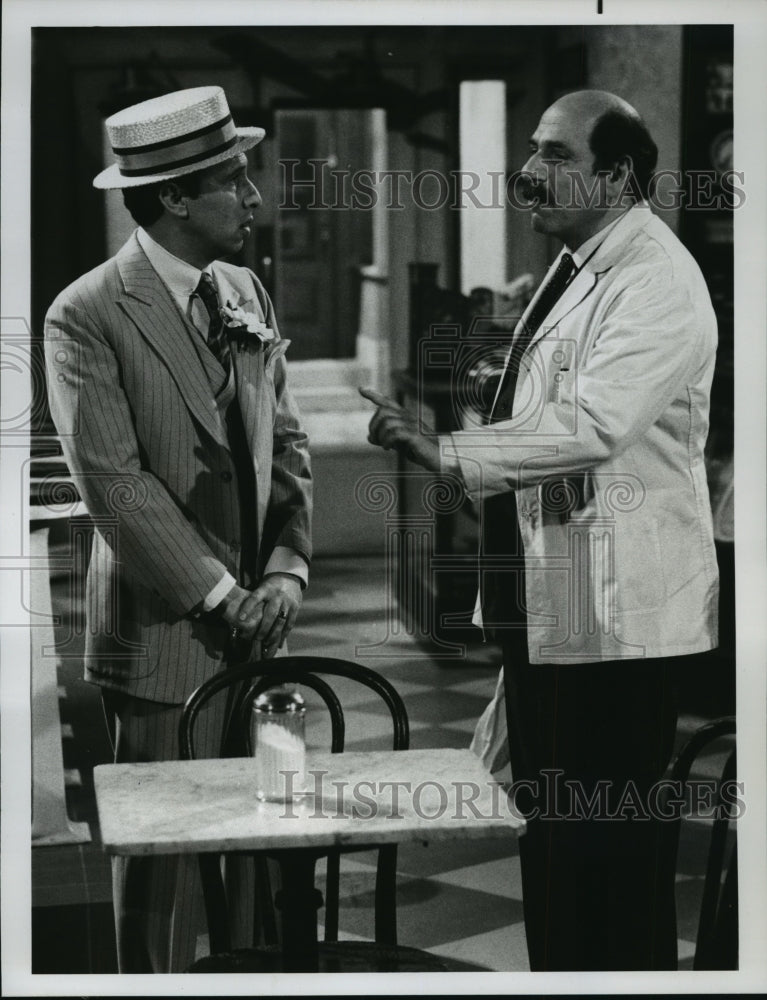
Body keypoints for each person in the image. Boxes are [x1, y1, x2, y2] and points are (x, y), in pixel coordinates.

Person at [361, 89, 719, 971]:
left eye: (556, 156)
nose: (529, 173)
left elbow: (593, 423)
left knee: (606, 859)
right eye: (531, 150)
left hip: (615, 621)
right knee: (553, 840)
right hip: (548, 603)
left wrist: (447, 448)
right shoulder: (577, 260)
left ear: (619, 176)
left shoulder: (657, 277)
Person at [44, 86, 312, 972]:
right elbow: (114, 483)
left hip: (260, 627)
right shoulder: (86, 313)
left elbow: (288, 443)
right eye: (234, 181)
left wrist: (284, 571)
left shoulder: (244, 289)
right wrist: (222, 593)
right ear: (173, 198)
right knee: (166, 875)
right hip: (166, 631)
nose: (254, 198)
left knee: (258, 852)